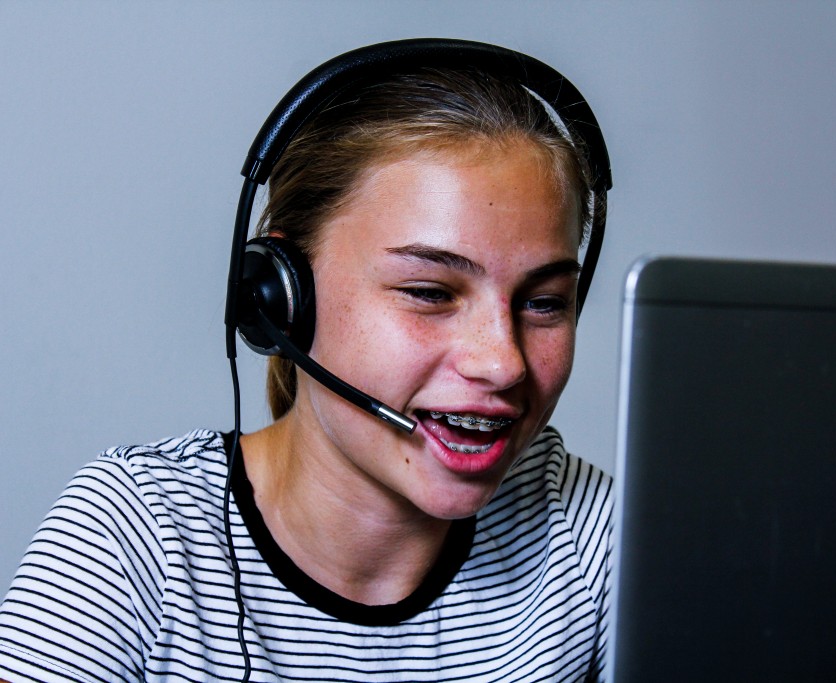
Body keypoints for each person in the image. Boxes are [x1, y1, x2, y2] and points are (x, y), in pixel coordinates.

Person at [0, 43, 613, 682]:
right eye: (430, 292)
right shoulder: (134, 533)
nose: (503, 363)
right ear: (283, 298)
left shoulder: (592, 536)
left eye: (544, 302)